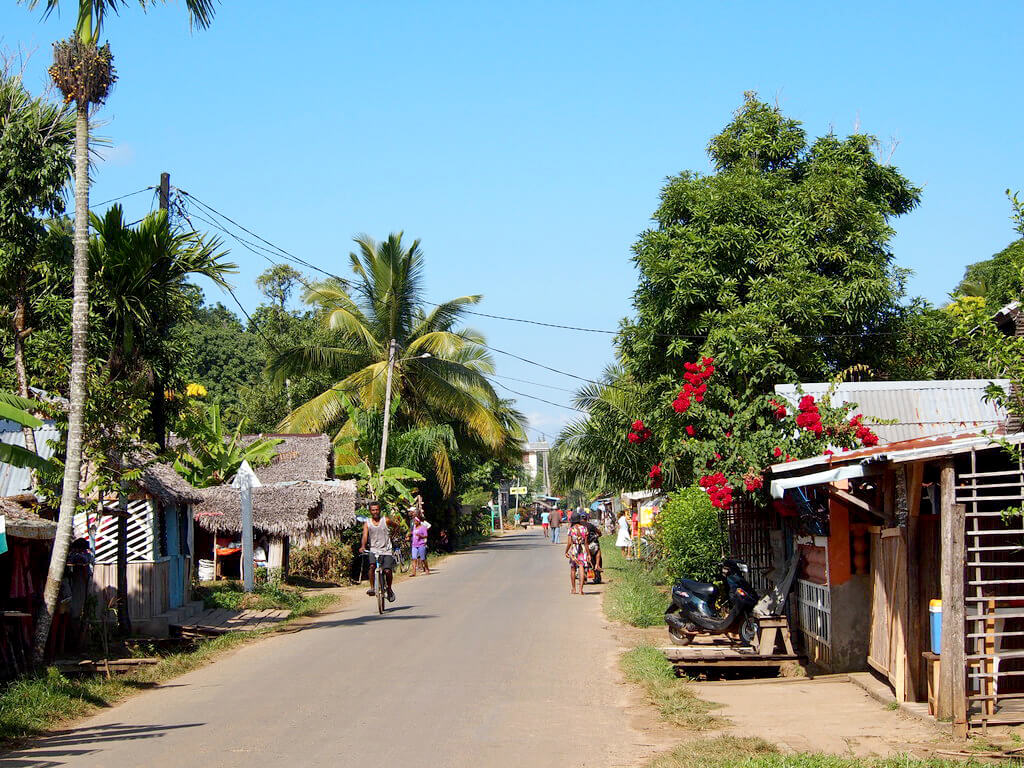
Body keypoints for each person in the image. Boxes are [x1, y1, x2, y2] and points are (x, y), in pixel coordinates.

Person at [360, 500, 400, 602]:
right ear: (370, 511)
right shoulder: (367, 523)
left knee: (387, 571)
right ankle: (372, 587)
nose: (375, 512)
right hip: (374, 549)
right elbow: (365, 536)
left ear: (380, 510)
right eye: (373, 510)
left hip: (386, 550)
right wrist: (363, 546)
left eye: (377, 510)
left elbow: (396, 526)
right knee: (372, 566)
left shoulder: (385, 520)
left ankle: (389, 589)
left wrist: (392, 536)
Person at [565, 513, 591, 595]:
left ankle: (573, 589)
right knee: (581, 568)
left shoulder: (571, 529)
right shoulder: (584, 528)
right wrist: (588, 554)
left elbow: (569, 543)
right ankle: (581, 590)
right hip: (582, 549)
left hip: (574, 550)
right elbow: (586, 543)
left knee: (573, 569)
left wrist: (566, 551)